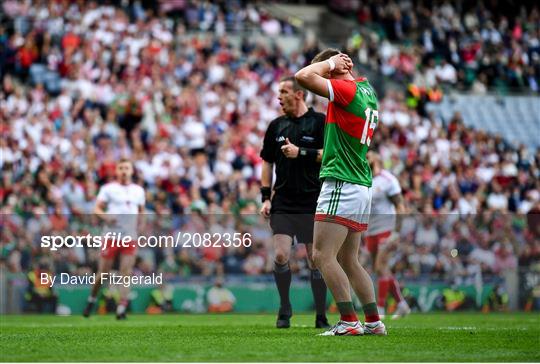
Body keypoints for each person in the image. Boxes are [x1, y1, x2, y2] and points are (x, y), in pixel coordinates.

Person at [295, 49, 386, 335]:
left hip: (341, 181)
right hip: (360, 183)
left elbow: (302, 77)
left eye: (326, 69)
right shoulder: (366, 89)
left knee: (321, 255)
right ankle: (373, 321)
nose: (322, 73)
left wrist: (330, 63)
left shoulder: (345, 89)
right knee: (349, 259)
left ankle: (349, 321)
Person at [259, 76, 329, 329]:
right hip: (284, 201)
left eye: (284, 92)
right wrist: (265, 197)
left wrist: (301, 152)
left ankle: (321, 313)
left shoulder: (320, 122)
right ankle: (285, 306)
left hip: (313, 200)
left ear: (299, 94)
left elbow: (330, 155)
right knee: (279, 254)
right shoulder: (276, 126)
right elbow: (267, 161)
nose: (279, 97)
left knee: (316, 259)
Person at [83, 159, 145, 320]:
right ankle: (92, 299)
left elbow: (141, 211)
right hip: (111, 236)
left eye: (127, 168)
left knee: (126, 272)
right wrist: (105, 216)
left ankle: (121, 307)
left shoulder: (138, 191)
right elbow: (97, 208)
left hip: (129, 236)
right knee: (103, 273)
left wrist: (141, 228)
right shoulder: (108, 189)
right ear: (116, 171)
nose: (124, 171)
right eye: (121, 168)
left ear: (132, 171)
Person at [365, 152, 411, 319]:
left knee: (381, 265)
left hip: (387, 227)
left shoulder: (388, 180)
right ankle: (402, 304)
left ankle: (380, 308)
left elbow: (400, 206)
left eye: (369, 156)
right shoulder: (363, 177)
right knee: (381, 269)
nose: (366, 158)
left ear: (377, 159)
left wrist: (397, 232)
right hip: (370, 230)